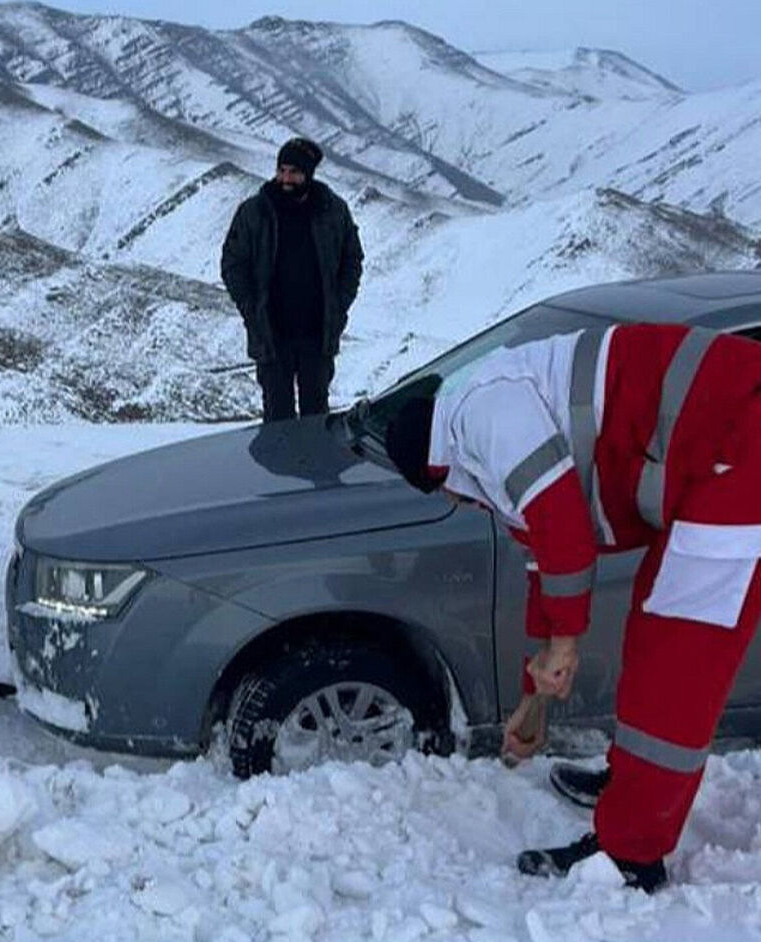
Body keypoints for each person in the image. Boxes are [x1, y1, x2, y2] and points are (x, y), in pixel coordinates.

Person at [384, 322, 761, 893]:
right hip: (710, 461)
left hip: (741, 447)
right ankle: (632, 783)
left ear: (436, 474)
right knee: (652, 628)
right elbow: (545, 562)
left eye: (449, 495)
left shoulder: (482, 416)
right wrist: (533, 703)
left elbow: (562, 525)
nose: (460, 502)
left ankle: (632, 854)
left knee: (676, 664)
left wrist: (567, 643)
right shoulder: (483, 431)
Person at [220, 137, 364, 422]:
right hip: (272, 335)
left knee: (316, 417)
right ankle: (277, 468)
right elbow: (232, 264)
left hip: (317, 335)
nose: (286, 178)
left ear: (308, 174)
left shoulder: (332, 211)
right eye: (282, 170)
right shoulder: (255, 212)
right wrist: (250, 308)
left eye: (294, 172)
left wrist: (339, 304)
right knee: (277, 418)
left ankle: (314, 467)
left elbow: (352, 260)